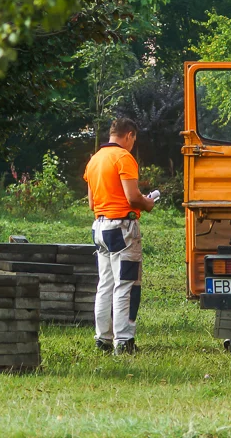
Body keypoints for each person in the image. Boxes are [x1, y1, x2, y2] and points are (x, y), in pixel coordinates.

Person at [84, 118, 156, 355]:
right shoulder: (124, 158)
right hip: (123, 228)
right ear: (129, 135)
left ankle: (102, 338)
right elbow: (132, 197)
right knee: (126, 283)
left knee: (105, 284)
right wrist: (147, 203)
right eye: (134, 139)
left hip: (100, 227)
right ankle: (123, 341)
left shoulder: (94, 160)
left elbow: (92, 202)